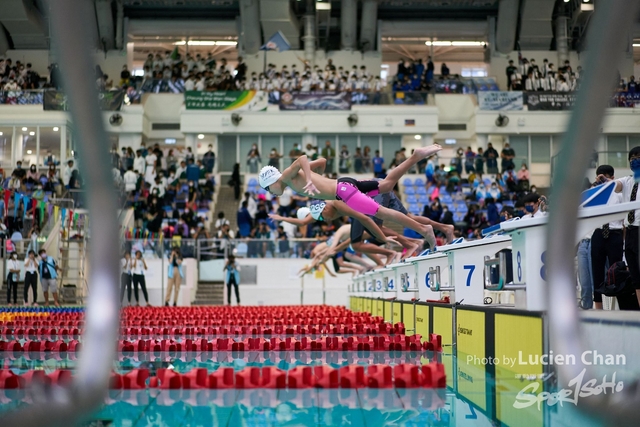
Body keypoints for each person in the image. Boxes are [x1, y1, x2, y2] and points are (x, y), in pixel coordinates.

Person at [259, 145, 442, 240]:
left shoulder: (286, 176)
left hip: (343, 192)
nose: (271, 193)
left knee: (383, 212)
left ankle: (424, 230)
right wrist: (317, 179)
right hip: (344, 183)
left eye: (268, 189)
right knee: (386, 184)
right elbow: (322, 161)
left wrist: (309, 179)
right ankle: (416, 156)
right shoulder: (291, 181)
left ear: (272, 182)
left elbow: (302, 158)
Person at [588, 165, 638, 310]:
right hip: (598, 233)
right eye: (599, 177)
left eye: (605, 178)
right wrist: (595, 187)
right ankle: (598, 307)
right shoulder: (594, 193)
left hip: (614, 234)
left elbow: (625, 217)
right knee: (597, 272)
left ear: (612, 178)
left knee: (617, 273)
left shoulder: (619, 193)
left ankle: (618, 306)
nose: (602, 181)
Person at [601, 146, 640, 308]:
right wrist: (605, 181)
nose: (634, 161)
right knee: (636, 277)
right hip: (630, 232)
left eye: (638, 157)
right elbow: (615, 185)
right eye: (631, 158)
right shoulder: (628, 181)